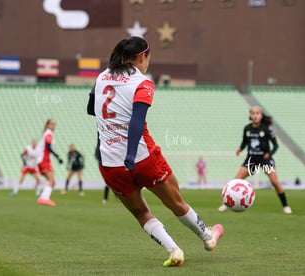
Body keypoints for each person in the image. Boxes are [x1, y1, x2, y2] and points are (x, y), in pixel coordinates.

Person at [87, 36, 223, 267]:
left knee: (141, 213)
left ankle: (174, 250)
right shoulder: (143, 82)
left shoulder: (101, 77)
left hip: (110, 164)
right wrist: (130, 154)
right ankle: (207, 237)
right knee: (176, 202)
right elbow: (137, 122)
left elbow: (91, 109)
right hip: (142, 158)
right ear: (142, 57)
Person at [218, 106, 293, 214]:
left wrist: (269, 154)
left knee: (275, 182)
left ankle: (285, 206)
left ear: (261, 115)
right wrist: (240, 148)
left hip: (265, 160)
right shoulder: (247, 128)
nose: (255, 115)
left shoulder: (266, 129)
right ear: (250, 115)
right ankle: (226, 204)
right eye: (253, 113)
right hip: (251, 160)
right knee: (235, 181)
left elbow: (276, 145)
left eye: (257, 113)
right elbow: (244, 142)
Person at [36, 118, 63, 206]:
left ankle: (43, 198)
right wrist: (57, 156)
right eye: (51, 124)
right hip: (44, 160)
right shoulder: (48, 134)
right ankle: (44, 198)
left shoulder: (46, 134)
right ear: (47, 125)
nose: (53, 126)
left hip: (43, 161)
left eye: (54, 124)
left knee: (52, 182)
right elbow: (48, 146)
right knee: (51, 181)